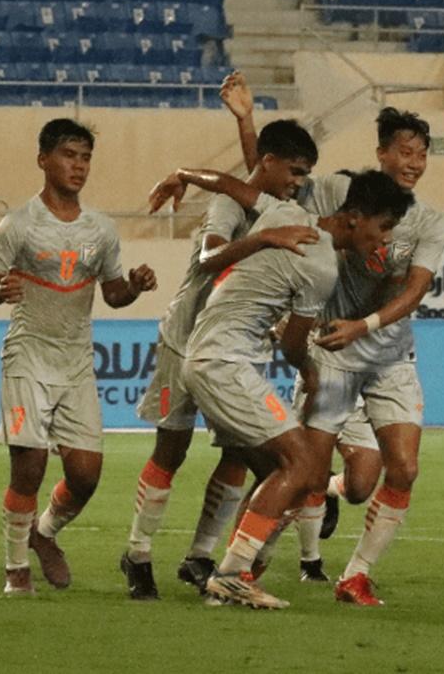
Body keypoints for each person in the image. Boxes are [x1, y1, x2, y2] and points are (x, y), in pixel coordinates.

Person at [191, 71, 444, 605]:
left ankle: (354, 575)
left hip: (386, 354)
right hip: (329, 352)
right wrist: (247, 123)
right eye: (405, 151)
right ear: (381, 153)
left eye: (422, 154)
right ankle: (245, 568)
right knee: (301, 470)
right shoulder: (337, 191)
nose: (414, 162)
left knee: (394, 471)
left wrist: (368, 326)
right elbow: (271, 186)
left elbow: (416, 290)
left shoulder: (430, 223)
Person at [180, 171, 414, 609]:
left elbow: (233, 184)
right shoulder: (321, 265)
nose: (383, 242)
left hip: (206, 357)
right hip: (225, 363)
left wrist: (182, 175)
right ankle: (230, 574)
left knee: (282, 468)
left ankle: (232, 573)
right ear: (354, 218)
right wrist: (310, 370)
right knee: (303, 463)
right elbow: (292, 345)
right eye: (381, 228)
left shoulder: (290, 212)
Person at [119, 120, 320, 600]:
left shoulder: (278, 208)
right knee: (171, 451)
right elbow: (211, 257)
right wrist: (265, 241)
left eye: (305, 175)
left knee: (235, 454)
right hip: (186, 339)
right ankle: (138, 552)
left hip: (235, 349)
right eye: (294, 171)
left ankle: (201, 556)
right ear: (268, 163)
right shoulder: (230, 205)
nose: (299, 182)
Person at [0, 118, 157, 597]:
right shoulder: (19, 224)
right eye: (69, 155)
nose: (78, 166)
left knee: (86, 476)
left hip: (76, 362)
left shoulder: (102, 228)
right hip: (28, 354)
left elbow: (113, 294)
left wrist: (133, 287)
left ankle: (44, 532)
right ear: (43, 159)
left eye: (85, 157)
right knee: (29, 467)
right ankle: (16, 569)